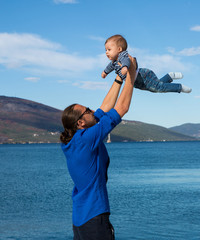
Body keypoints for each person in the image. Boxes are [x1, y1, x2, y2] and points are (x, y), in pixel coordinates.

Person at [60, 56, 137, 240]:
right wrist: (132, 74)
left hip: (81, 218)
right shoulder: (86, 139)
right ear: (80, 123)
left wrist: (119, 78)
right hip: (94, 218)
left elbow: (104, 107)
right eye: (88, 110)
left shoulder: (75, 140)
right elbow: (122, 108)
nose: (93, 111)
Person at [102, 34, 192, 93]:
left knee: (158, 88)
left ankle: (179, 87)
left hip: (143, 76)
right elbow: (110, 66)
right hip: (139, 82)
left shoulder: (123, 56)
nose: (106, 52)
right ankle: (169, 76)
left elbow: (127, 61)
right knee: (157, 86)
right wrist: (105, 72)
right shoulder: (114, 62)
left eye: (109, 50)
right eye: (106, 50)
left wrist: (125, 67)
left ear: (119, 49)